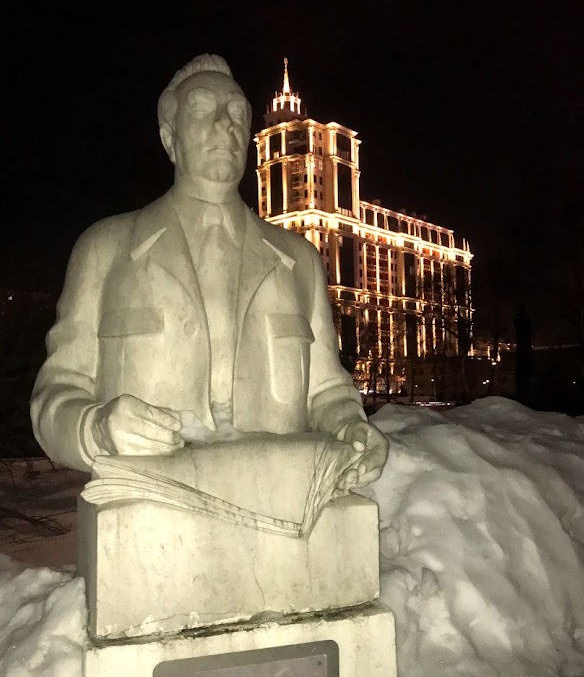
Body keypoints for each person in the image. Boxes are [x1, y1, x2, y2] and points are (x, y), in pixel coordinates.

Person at [31, 54, 388, 489]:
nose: (226, 124)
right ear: (169, 138)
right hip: (153, 509)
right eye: (202, 110)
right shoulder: (105, 248)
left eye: (238, 112)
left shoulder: (300, 260)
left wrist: (351, 428)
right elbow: (55, 392)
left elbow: (326, 389)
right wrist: (94, 428)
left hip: (278, 500)